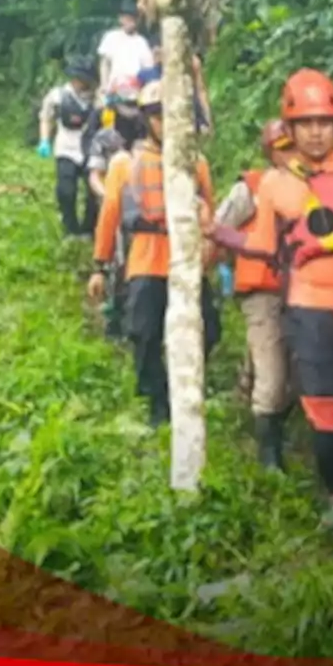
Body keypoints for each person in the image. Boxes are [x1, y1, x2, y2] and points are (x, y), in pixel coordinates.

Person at [204, 70, 333, 527]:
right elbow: (266, 244)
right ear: (287, 129)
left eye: (323, 122)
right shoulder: (269, 184)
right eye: (304, 123)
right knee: (323, 403)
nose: (314, 132)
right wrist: (217, 233)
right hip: (307, 302)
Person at [87, 79, 222, 427]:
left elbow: (211, 212)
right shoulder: (125, 163)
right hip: (147, 259)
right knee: (144, 332)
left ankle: (186, 385)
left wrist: (213, 254)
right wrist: (100, 266)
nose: (167, 124)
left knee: (210, 328)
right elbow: (110, 215)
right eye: (159, 116)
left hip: (187, 261)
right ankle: (157, 398)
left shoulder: (198, 164)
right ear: (147, 120)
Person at [208, 119, 298, 472]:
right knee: (273, 374)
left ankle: (255, 397)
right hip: (261, 289)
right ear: (270, 152)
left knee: (296, 370)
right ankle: (268, 456)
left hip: (301, 290)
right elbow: (218, 226)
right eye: (282, 149)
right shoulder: (252, 188)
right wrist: (212, 273)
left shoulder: (314, 186)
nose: (289, 155)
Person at [85, 76, 147, 339]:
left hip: (144, 204)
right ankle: (115, 316)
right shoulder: (105, 137)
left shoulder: (152, 135)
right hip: (114, 199)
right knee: (116, 262)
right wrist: (109, 192)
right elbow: (94, 174)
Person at [39, 60, 100, 239]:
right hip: (66, 147)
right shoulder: (58, 96)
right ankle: (70, 227)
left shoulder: (97, 98)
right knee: (66, 191)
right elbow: (46, 117)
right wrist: (44, 140)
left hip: (90, 149)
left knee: (93, 192)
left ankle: (89, 228)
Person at [137, 35, 213, 134]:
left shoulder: (189, 65)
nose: (157, 55)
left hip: (190, 118)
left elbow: (201, 91)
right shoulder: (147, 76)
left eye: (160, 52)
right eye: (155, 52)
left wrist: (208, 120)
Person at [97, 0, 154, 96]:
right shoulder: (111, 37)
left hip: (135, 90)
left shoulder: (141, 42)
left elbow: (148, 68)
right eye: (127, 18)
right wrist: (104, 84)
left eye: (133, 19)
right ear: (121, 19)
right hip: (113, 90)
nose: (130, 22)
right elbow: (104, 64)